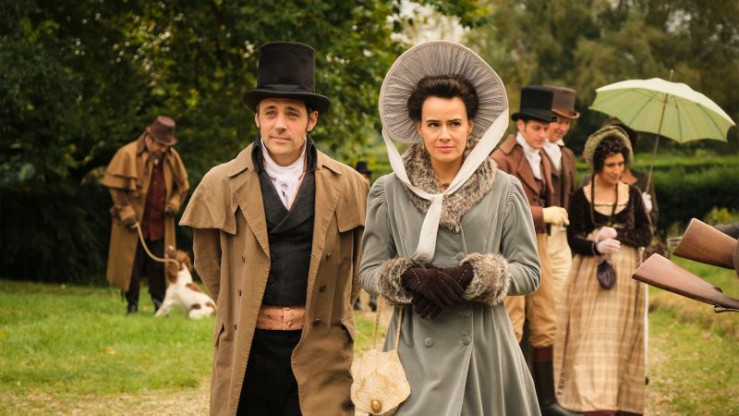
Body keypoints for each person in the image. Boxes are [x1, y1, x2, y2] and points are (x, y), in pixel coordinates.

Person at [179, 41, 368, 416]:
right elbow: (208, 262)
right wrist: (243, 300)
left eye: (292, 114)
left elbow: (359, 263)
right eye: (270, 113)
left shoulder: (349, 185)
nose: (280, 124)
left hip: (321, 345)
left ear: (311, 120)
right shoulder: (220, 182)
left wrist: (327, 310)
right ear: (257, 119)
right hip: (248, 346)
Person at [360, 41, 542, 415]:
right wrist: (409, 278)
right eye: (434, 124)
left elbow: (529, 271)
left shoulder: (504, 189)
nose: (445, 135)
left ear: (471, 125)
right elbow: (367, 271)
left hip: (484, 349)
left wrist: (474, 275)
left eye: (454, 124)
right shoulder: (388, 190)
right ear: (418, 128)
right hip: (413, 349)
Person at [491, 86, 579, 416]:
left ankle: (547, 402)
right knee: (512, 324)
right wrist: (542, 214)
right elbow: (498, 209)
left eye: (546, 128)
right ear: (522, 126)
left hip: (539, 243)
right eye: (538, 128)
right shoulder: (500, 159)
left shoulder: (542, 156)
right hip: (508, 246)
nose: (544, 135)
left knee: (546, 320)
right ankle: (508, 401)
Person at [554, 125, 653, 416]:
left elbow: (645, 234)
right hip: (589, 276)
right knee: (590, 338)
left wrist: (617, 234)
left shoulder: (633, 195)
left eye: (621, 164)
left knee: (620, 339)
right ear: (598, 164)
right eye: (611, 165)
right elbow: (573, 238)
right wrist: (595, 246)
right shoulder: (581, 197)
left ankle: (620, 401)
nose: (617, 170)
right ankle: (593, 403)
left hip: (627, 279)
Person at [102, 115, 189, 315]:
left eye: (167, 145)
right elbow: (116, 188)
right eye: (160, 145)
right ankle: (132, 305)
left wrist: (174, 204)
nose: (163, 149)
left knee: (159, 265)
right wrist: (126, 212)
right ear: (150, 138)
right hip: (132, 223)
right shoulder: (127, 154)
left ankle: (159, 304)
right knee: (131, 264)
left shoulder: (172, 157)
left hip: (159, 223)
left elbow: (182, 188)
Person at [542, 86, 579, 302]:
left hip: (561, 237)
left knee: (563, 296)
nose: (562, 128)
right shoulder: (531, 151)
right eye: (557, 120)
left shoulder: (568, 155)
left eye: (567, 122)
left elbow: (572, 195)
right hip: (537, 235)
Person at [353, 161, 378, 312]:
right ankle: (355, 300)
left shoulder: (375, 192)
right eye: (361, 175)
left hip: (373, 234)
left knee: (374, 265)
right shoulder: (350, 193)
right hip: (356, 234)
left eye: (366, 176)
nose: (364, 178)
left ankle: (373, 298)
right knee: (355, 266)